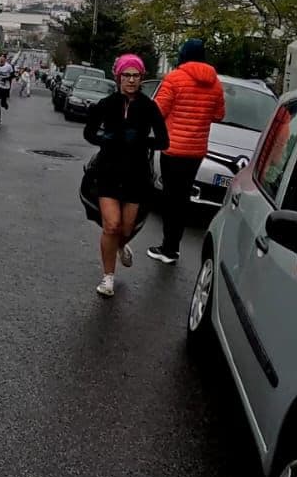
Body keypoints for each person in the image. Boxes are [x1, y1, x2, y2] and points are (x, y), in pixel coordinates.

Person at [82, 52, 169, 298]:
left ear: (142, 78)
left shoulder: (149, 107)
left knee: (126, 228)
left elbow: (164, 141)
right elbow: (89, 133)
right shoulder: (106, 104)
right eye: (126, 75)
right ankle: (108, 277)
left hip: (136, 174)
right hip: (108, 171)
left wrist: (142, 142)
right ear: (118, 77)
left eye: (136, 75)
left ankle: (121, 245)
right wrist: (105, 139)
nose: (131, 80)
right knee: (112, 225)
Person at [148, 38, 227, 265]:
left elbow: (159, 111)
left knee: (170, 199)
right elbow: (219, 115)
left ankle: (168, 248)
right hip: (195, 152)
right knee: (182, 199)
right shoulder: (215, 83)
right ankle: (174, 246)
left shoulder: (174, 79)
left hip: (172, 149)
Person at [0, 53, 15, 125]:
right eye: (0, 57)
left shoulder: (9, 66)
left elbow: (12, 75)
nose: (1, 58)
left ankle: (5, 104)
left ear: (5, 59)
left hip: (5, 87)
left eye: (3, 57)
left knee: (2, 104)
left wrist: (6, 78)